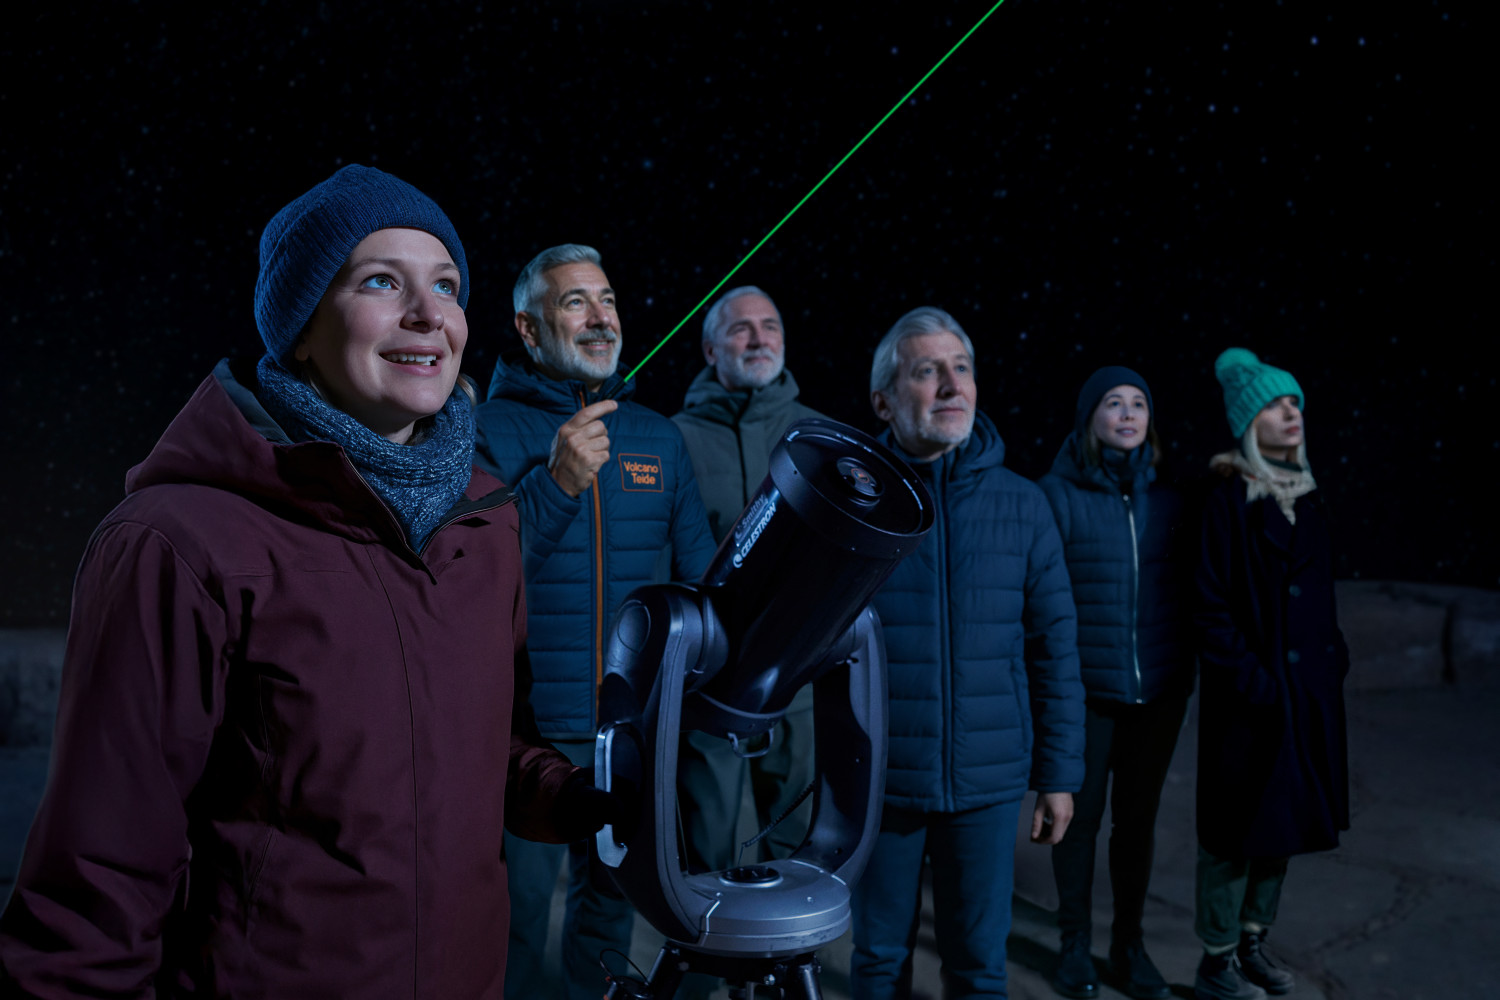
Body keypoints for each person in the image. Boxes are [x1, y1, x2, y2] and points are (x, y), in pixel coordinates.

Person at [0, 165, 608, 997]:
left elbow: (478, 747)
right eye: (382, 281)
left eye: (447, 285)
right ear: (300, 327)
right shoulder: (178, 543)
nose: (429, 314)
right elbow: (96, 881)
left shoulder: (484, 518)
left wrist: (579, 797)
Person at [472, 244, 717, 1000]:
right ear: (528, 327)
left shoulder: (659, 439)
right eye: (575, 301)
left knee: (609, 918)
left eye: (607, 299)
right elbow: (466, 580)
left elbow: (699, 583)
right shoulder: (483, 431)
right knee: (508, 922)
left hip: (631, 731)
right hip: (521, 733)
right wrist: (556, 483)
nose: (600, 316)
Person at [849, 306, 1086, 1000]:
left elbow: (1054, 647)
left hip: (986, 782)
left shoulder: (1023, 504)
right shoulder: (854, 502)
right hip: (882, 782)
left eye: (962, 368)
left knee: (979, 965)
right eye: (927, 371)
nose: (952, 385)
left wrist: (1060, 774)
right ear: (884, 401)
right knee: (878, 958)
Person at [1192, 348, 1350, 1000]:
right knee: (1236, 832)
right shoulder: (1228, 498)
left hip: (1305, 696)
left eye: (1297, 405)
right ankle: (1216, 961)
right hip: (1250, 700)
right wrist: (1253, 680)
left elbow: (1320, 599)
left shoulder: (1306, 499)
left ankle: (1253, 942)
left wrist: (1333, 657)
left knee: (1284, 824)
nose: (1293, 414)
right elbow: (1209, 604)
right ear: (1249, 420)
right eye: (1278, 405)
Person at [1037, 367, 1196, 1000]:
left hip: (1157, 691)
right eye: (1113, 403)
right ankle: (1074, 942)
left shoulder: (1169, 498)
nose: (1128, 414)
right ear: (1089, 419)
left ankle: (1129, 945)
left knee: (1138, 823)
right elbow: (1044, 601)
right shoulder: (1058, 495)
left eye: (1139, 404)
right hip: (1087, 691)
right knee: (1078, 820)